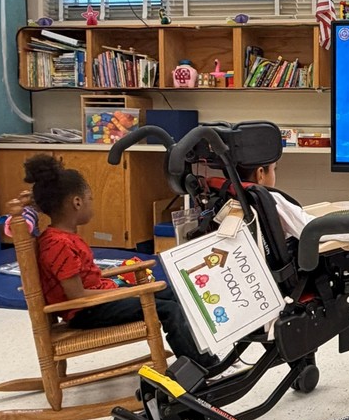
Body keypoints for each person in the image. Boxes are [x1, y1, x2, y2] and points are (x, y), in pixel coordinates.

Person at [23, 154, 218, 370]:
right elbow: (77, 296)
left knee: (173, 294)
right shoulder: (58, 244)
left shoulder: (61, 238)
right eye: (90, 199)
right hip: (87, 311)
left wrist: (121, 289)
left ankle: (201, 355)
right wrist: (126, 292)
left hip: (99, 302)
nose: (91, 204)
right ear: (77, 202)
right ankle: (200, 367)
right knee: (168, 309)